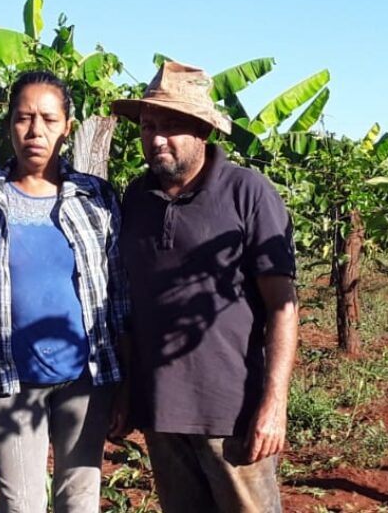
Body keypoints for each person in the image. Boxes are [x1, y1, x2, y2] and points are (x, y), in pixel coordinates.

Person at [0, 70, 131, 513]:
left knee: (78, 501)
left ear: (67, 126)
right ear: (9, 125)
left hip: (86, 380)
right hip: (8, 382)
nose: (35, 130)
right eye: (24, 118)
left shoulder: (96, 198)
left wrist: (123, 386)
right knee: (18, 503)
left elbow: (118, 296)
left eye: (48, 118)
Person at [111, 60, 299, 513]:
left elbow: (282, 306)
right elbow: (130, 307)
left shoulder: (247, 193)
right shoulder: (135, 199)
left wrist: (274, 405)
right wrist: (124, 394)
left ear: (202, 131)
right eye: (149, 125)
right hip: (162, 411)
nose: (156, 138)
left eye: (172, 126)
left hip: (232, 412)